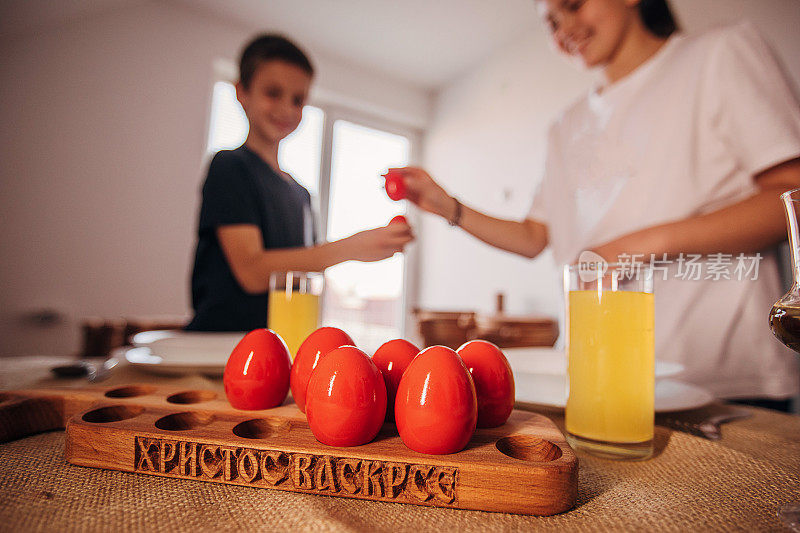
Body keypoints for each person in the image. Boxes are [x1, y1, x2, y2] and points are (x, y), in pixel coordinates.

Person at [396, 0, 800, 409]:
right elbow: (534, 236)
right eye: (551, 22)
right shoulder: (565, 126)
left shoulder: (719, 54)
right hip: (598, 376)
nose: (563, 28)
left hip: (721, 379)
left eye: (573, 5)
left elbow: (790, 195)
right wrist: (449, 207)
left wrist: (631, 248)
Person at [187, 34, 413, 332]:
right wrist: (351, 247)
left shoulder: (301, 194)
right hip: (220, 343)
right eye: (273, 93)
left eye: (298, 99)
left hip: (280, 345)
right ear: (242, 92)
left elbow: (305, 268)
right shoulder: (229, 167)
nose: (286, 109)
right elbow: (252, 271)